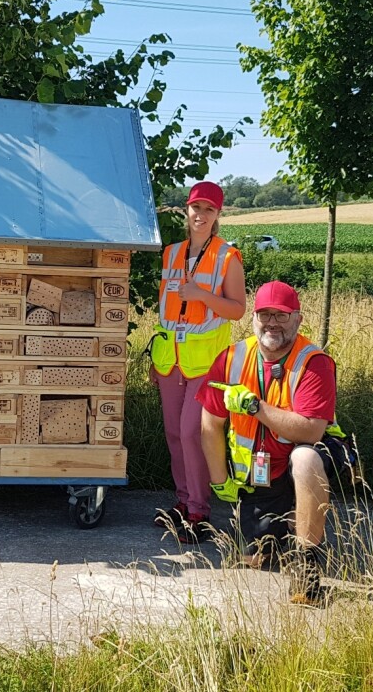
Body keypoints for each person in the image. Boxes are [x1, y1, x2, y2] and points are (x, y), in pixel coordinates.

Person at [198, 281, 349, 604]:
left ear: (298, 319)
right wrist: (219, 480)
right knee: (256, 556)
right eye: (265, 315)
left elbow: (310, 431)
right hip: (261, 474)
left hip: (309, 459)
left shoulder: (314, 362)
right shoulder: (232, 358)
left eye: (281, 316)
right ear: (253, 318)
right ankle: (284, 527)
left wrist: (255, 407)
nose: (272, 323)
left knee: (306, 458)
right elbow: (210, 423)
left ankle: (307, 565)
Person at [149, 181, 246, 543]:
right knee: (175, 434)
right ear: (186, 211)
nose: (201, 215)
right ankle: (182, 500)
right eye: (196, 208)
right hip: (169, 360)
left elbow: (237, 310)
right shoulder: (171, 254)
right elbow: (166, 315)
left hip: (206, 362)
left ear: (218, 215)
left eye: (209, 209)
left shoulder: (227, 257)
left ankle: (199, 512)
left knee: (193, 432)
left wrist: (201, 294)